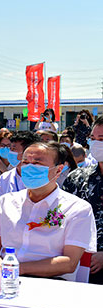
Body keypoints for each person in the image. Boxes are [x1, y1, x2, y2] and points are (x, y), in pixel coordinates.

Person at [0, 142, 96, 281]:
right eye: (25, 162)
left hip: (51, 281)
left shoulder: (77, 208)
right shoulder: (5, 202)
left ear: (58, 170)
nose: (29, 167)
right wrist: (4, 270)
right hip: (5, 278)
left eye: (37, 163)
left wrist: (17, 269)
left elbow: (69, 262)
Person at [63, 116, 103, 283]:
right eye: (93, 139)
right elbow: (61, 217)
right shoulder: (77, 178)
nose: (96, 144)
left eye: (102, 139)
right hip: (77, 264)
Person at [0, 131, 41, 197]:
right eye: (10, 149)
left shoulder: (41, 178)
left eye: (13, 149)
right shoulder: (5, 178)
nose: (10, 152)